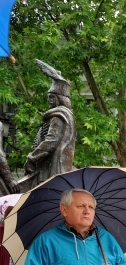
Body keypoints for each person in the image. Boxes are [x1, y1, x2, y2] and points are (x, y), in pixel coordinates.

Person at [21, 61, 76, 192]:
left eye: (52, 97)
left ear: (60, 98)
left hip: (49, 169)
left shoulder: (58, 116)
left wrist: (32, 158)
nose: (49, 100)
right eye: (48, 97)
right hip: (49, 167)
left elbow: (50, 142)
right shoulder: (61, 115)